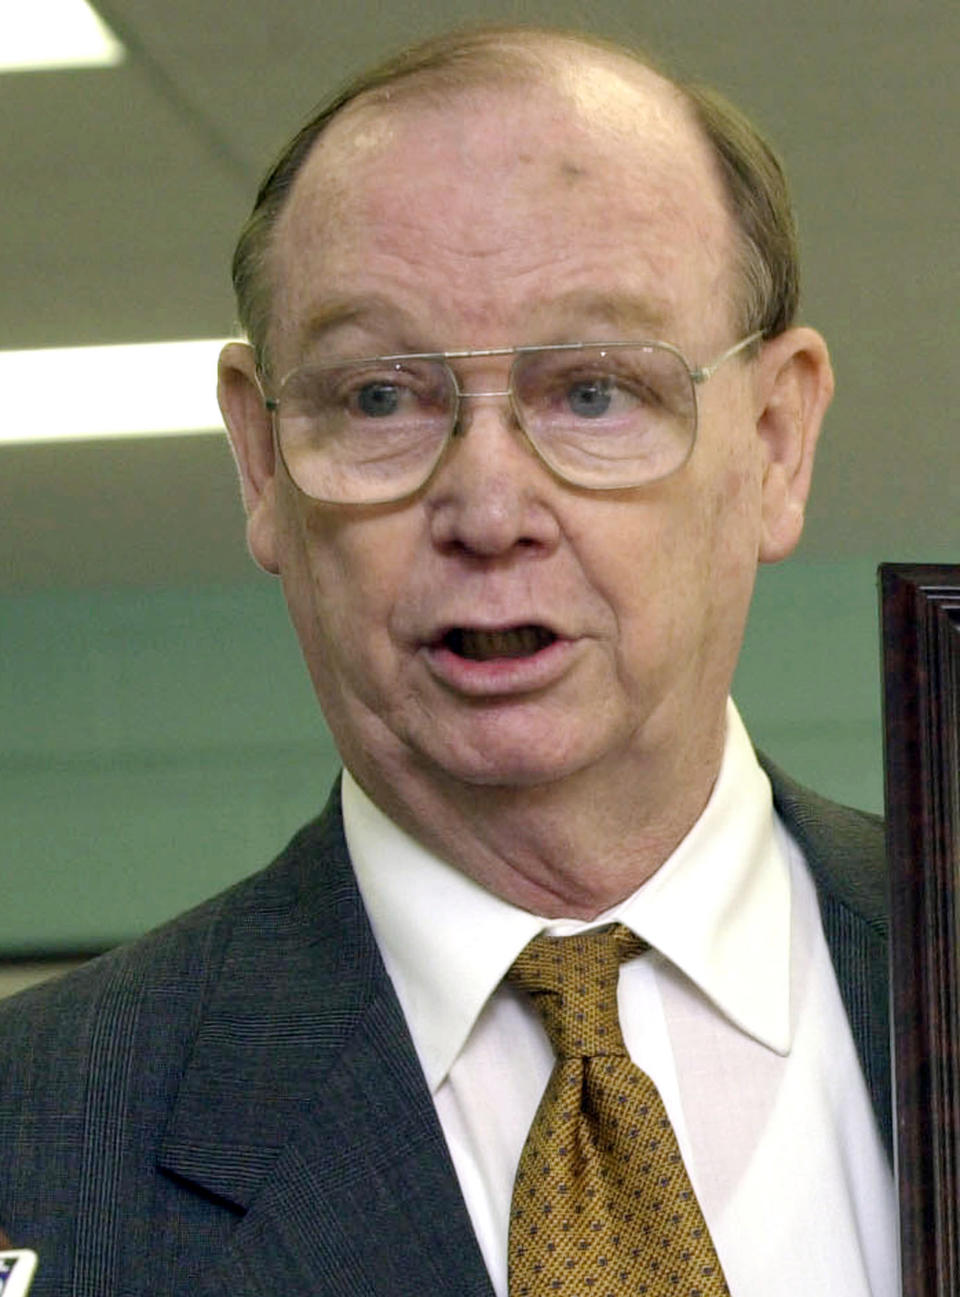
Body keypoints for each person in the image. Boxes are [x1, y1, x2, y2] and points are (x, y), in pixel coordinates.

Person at [0, 25, 895, 1297]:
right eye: (380, 396)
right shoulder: (34, 1137)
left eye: (594, 390)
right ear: (260, 464)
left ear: (776, 441)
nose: (487, 508)